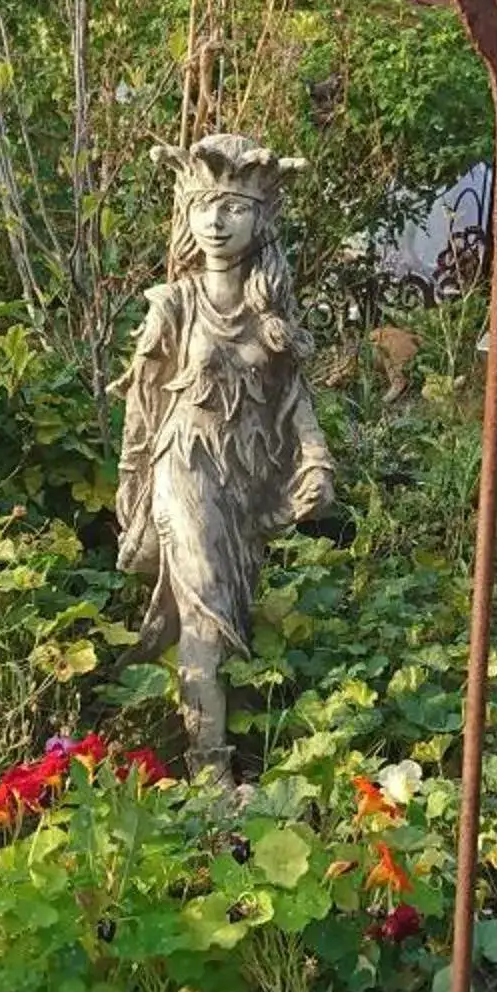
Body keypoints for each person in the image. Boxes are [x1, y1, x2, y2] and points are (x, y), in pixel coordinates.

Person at [116, 134, 333, 775]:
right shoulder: (175, 305)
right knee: (205, 623)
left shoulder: (271, 315)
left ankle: (173, 742)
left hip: (242, 480)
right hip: (183, 467)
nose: (215, 221)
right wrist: (134, 497)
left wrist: (317, 463)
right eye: (204, 206)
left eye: (232, 207)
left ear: (259, 218)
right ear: (186, 215)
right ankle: (209, 777)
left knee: (225, 614)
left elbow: (295, 403)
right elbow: (141, 407)